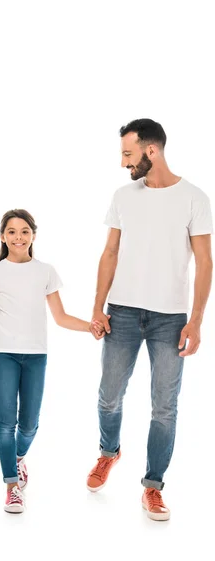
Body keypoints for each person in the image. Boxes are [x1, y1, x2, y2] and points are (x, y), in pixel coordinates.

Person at [88, 119, 213, 521]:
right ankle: (109, 451)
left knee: (165, 408)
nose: (124, 162)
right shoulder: (124, 195)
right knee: (109, 395)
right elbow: (110, 253)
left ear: (151, 151)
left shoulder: (194, 197)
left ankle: (153, 487)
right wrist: (97, 307)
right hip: (122, 313)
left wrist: (195, 320)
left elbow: (205, 261)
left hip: (169, 319)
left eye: (128, 154)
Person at [0, 209, 100, 513]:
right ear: (2, 237)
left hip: (36, 357)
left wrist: (90, 326)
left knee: (29, 424)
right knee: (6, 422)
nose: (18, 237)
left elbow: (60, 317)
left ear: (33, 235)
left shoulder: (46, 271)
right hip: (3, 355)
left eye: (24, 231)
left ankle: (17, 458)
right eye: (12, 232)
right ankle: (11, 487)